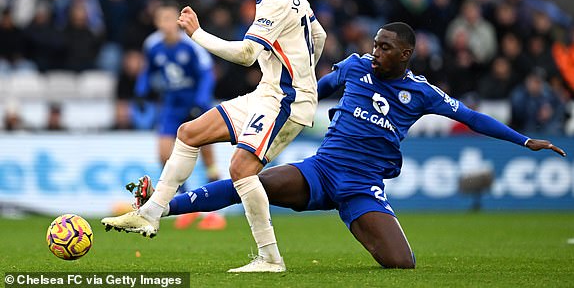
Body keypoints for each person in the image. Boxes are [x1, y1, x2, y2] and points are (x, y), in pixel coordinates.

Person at [126, 22, 565, 269]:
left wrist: (524, 140)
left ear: (406, 54)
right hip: (322, 169)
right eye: (375, 44)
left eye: (386, 48)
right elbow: (314, 87)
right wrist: (289, 102)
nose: (375, 52)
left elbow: (471, 116)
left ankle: (355, 218)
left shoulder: (422, 92)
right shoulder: (356, 67)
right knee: (248, 182)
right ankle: (158, 208)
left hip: (362, 185)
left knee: (401, 264)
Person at [102, 0, 328, 273]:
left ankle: (270, 258)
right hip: (269, 93)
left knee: (240, 169)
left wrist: (197, 34)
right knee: (190, 132)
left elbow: (248, 53)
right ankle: (150, 214)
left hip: (287, 101)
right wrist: (303, 69)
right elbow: (318, 35)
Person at [132, 1, 225, 230]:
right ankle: (185, 200)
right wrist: (141, 93)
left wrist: (200, 103)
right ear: (157, 23)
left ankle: (215, 211)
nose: (166, 25)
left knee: (207, 155)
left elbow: (206, 74)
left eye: (169, 19)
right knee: (164, 153)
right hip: (172, 104)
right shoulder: (153, 45)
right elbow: (148, 70)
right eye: (161, 19)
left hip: (194, 103)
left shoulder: (191, 45)